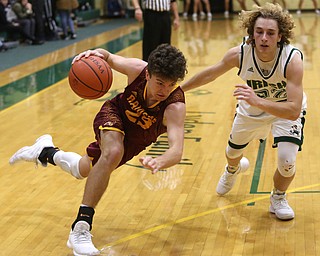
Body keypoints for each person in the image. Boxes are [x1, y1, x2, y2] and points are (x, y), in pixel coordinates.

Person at [9, 43, 187, 255]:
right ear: (148, 74)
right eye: (160, 83)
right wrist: (94, 53)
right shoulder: (137, 69)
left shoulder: (175, 106)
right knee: (112, 152)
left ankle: (45, 151)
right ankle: (81, 227)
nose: (164, 91)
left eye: (170, 85)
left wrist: (161, 160)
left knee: (82, 169)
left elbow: (176, 150)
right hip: (114, 115)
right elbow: (108, 57)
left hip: (133, 142)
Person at [181, 3, 307, 221]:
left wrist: (258, 100)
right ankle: (233, 169)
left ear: (280, 36)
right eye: (259, 32)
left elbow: (294, 110)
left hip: (284, 111)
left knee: (287, 163)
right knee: (232, 153)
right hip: (251, 110)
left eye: (270, 33)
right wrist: (178, 92)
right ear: (252, 34)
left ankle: (278, 197)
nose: (264, 38)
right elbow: (210, 74)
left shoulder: (292, 59)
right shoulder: (240, 54)